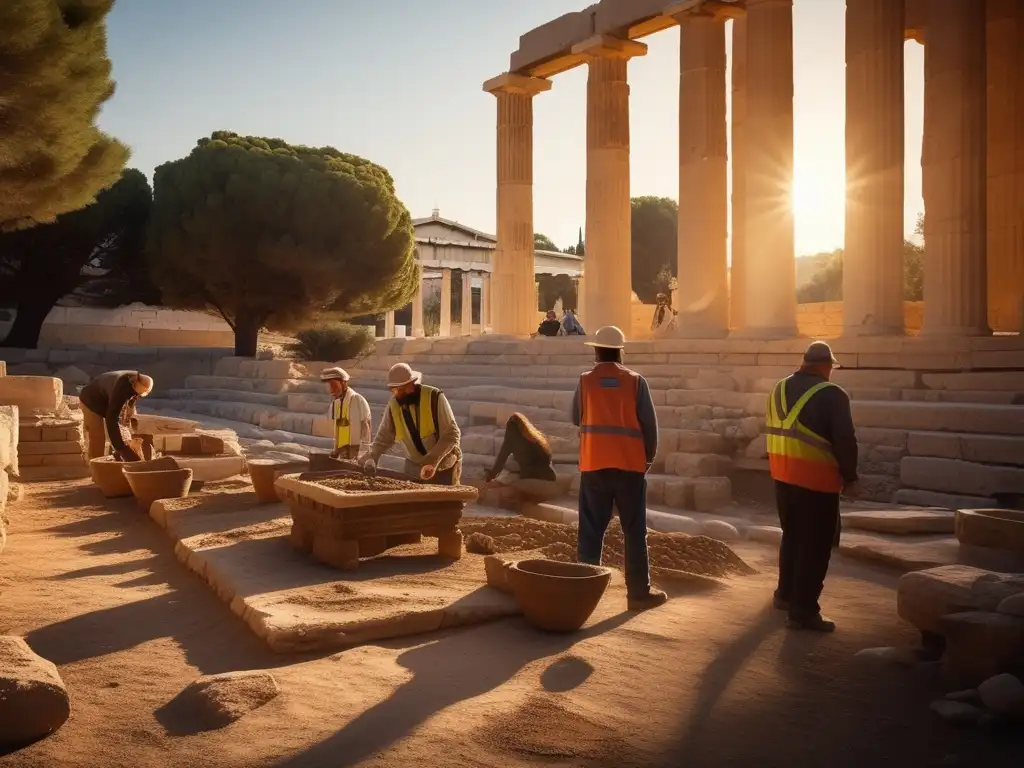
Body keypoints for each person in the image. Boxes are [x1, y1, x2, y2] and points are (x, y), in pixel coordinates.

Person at [571, 325, 666, 611]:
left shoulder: (585, 381)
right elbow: (650, 427)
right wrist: (646, 460)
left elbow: (576, 417)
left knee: (590, 530)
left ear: (597, 351)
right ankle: (638, 593)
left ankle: (584, 593)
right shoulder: (636, 381)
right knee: (634, 531)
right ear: (621, 352)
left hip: (594, 465)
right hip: (630, 467)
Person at [767, 340, 859, 633]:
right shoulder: (833, 395)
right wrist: (851, 477)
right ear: (824, 366)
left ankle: (786, 595)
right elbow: (845, 440)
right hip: (817, 482)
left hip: (783, 477)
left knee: (792, 537)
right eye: (831, 367)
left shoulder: (778, 387)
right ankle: (803, 611)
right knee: (817, 547)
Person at [362, 362, 462, 485]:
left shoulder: (434, 397)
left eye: (403, 388)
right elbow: (384, 437)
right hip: (413, 468)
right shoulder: (393, 405)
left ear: (412, 384)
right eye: (395, 390)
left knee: (443, 503)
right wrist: (372, 456)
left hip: (443, 467)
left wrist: (432, 461)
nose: (399, 393)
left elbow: (451, 434)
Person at [78, 370, 154, 462]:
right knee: (98, 437)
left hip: (106, 399)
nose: (137, 397)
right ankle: (96, 468)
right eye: (138, 394)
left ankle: (115, 457)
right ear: (135, 384)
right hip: (91, 401)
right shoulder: (121, 388)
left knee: (121, 432)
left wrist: (127, 437)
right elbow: (112, 419)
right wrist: (120, 447)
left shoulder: (135, 383)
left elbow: (127, 412)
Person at [320, 367, 371, 461]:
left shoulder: (358, 400)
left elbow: (365, 430)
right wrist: (335, 450)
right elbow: (338, 429)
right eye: (330, 386)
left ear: (343, 383)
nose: (331, 390)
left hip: (356, 451)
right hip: (342, 452)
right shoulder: (336, 404)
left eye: (334, 385)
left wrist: (362, 455)